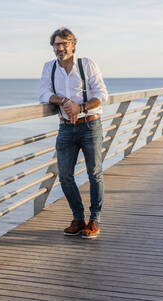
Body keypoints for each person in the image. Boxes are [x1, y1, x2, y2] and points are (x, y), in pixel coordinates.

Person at [39, 27, 108, 239]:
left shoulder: (86, 64)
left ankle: (94, 219)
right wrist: (64, 101)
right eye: (56, 44)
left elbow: (102, 94)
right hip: (65, 127)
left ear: (73, 45)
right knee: (65, 176)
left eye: (64, 44)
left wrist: (81, 107)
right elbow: (44, 94)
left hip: (90, 125)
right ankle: (78, 218)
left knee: (94, 173)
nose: (60, 48)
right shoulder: (49, 67)